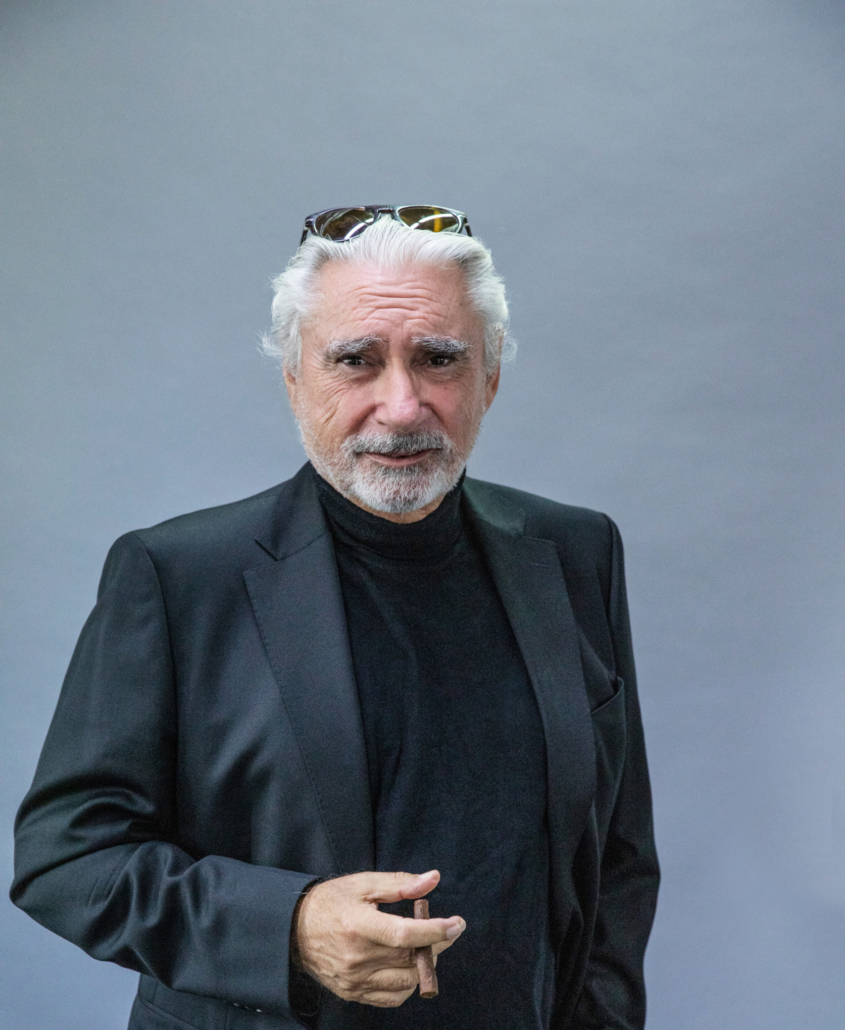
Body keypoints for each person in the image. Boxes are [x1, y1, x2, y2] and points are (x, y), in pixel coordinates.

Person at [11, 205, 659, 1030]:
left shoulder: (574, 552)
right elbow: (67, 858)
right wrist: (289, 929)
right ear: (294, 378)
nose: (402, 406)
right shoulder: (178, 577)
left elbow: (617, 857)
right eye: (356, 360)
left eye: (438, 359)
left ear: (489, 377)